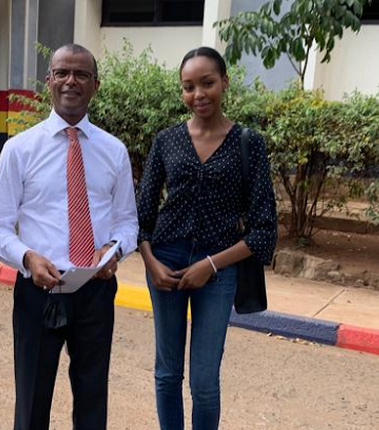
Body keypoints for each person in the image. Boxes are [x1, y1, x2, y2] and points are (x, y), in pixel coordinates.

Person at [0, 43, 138, 430]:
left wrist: (114, 249)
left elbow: (127, 224)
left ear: (95, 85)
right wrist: (27, 258)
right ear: (49, 81)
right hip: (39, 292)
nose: (72, 81)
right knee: (32, 402)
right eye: (63, 73)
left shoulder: (114, 151)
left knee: (91, 400)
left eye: (81, 74)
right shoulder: (19, 149)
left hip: (95, 291)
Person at [136, 46, 277, 430]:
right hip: (164, 260)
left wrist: (210, 265)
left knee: (204, 381)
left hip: (219, 267)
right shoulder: (167, 141)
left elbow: (265, 229)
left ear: (225, 83)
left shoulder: (249, 143)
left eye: (207, 83)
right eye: (188, 86)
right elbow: (142, 215)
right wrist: (151, 263)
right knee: (166, 372)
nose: (197, 94)